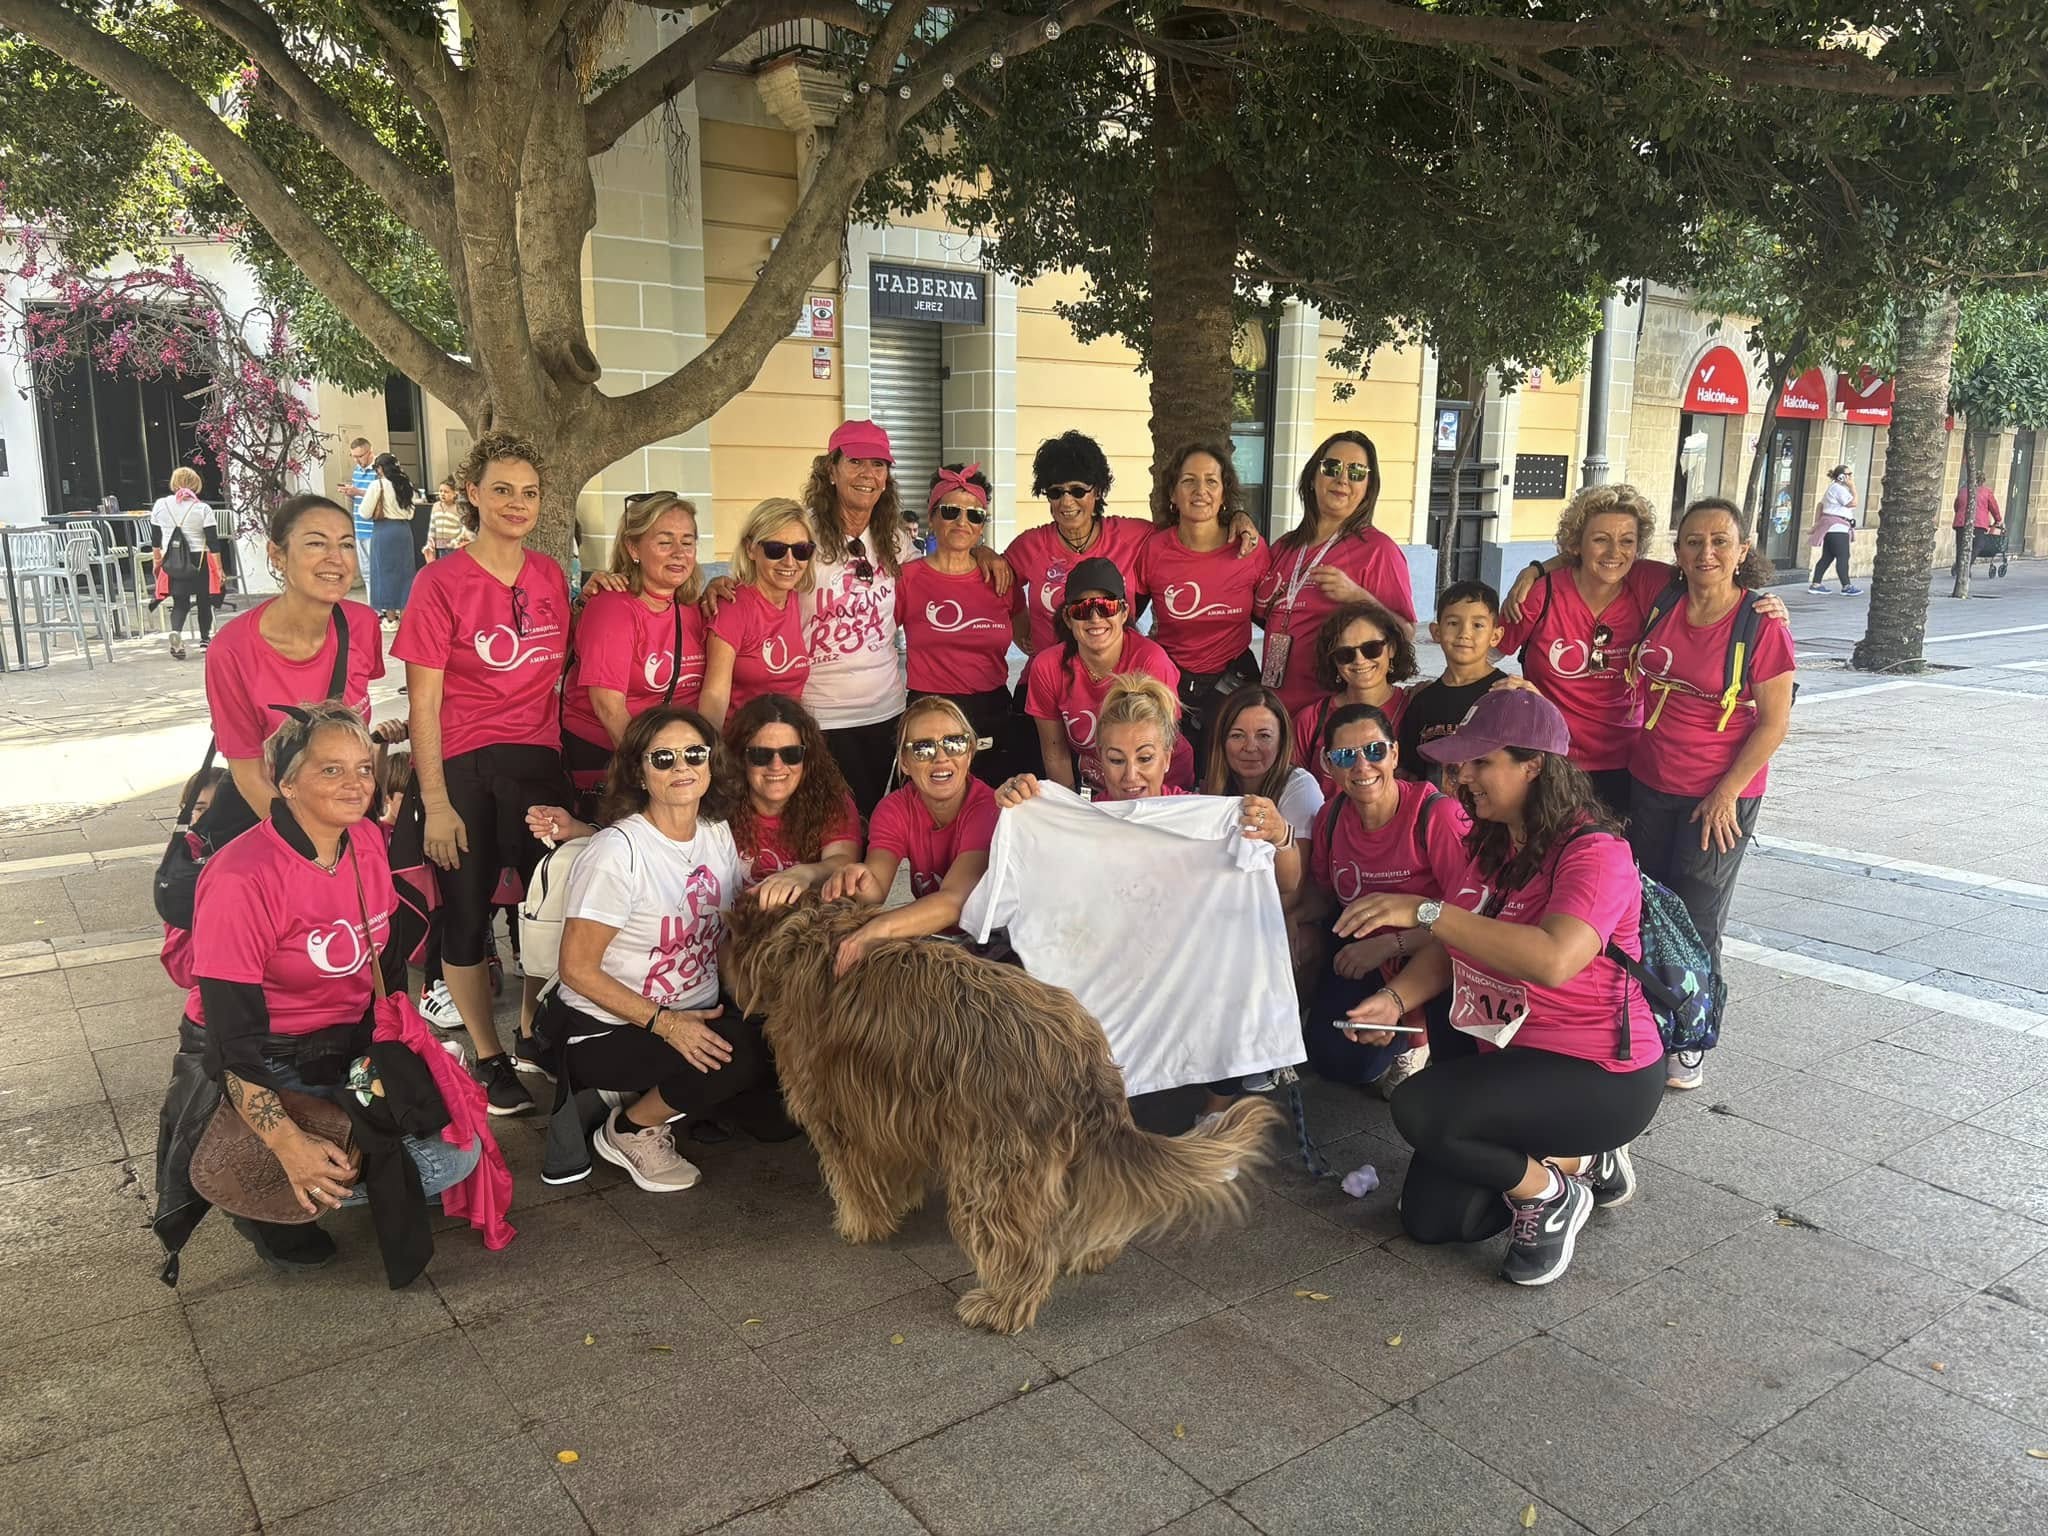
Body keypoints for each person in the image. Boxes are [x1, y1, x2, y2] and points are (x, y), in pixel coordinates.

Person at [1332, 688, 1664, 1288]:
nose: (1463, 776)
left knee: (1418, 1107)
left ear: (1534, 764)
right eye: (1461, 763)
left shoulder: (1596, 853)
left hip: (1597, 1073)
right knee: (1431, 1220)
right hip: (1509, 1059)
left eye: (1481, 763)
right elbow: (1455, 948)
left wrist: (1426, 910)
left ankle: (1552, 1194)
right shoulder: (1490, 845)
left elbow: (1554, 959)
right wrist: (1395, 1000)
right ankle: (1582, 1161)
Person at [180, 703, 482, 1273]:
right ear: (286, 781)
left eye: (363, 768)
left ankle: (317, 1175)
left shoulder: (366, 839)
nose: (356, 784)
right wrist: (287, 1145)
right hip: (268, 1057)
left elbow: (388, 964)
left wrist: (396, 1055)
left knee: (451, 1157)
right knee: (314, 1166)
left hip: (346, 1043)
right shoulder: (242, 877)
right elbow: (232, 1042)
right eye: (330, 770)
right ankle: (260, 1183)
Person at [996, 675, 1300, 1122]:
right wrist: (1020, 809)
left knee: (1240, 973)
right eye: (1116, 760)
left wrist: (1281, 835)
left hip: (1180, 965)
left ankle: (1216, 1111)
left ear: (1167, 757)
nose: (1130, 775)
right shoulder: (1076, 821)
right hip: (1109, 961)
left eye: (1144, 758)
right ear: (1098, 759)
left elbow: (1286, 885)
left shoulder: (1204, 817)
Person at [392, 430, 574, 1117]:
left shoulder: (551, 576)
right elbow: (424, 703)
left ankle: (530, 1033)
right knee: (466, 917)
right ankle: (487, 1055)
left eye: (528, 492)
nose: (516, 503)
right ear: (472, 493)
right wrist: (435, 803)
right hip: (463, 766)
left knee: (541, 911)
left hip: (537, 766)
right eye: (502, 489)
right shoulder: (439, 583)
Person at [538, 708, 767, 1192]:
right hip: (610, 1026)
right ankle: (628, 1129)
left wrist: (750, 999)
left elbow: (720, 937)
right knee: (742, 1055)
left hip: (695, 1007)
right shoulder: (617, 853)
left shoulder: (715, 832)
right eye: (663, 758)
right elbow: (576, 969)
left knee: (775, 1111)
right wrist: (669, 1025)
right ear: (638, 771)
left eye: (694, 754)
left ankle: (654, 1092)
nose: (681, 767)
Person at [1625, 498, 1794, 1092]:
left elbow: (1774, 721)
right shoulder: (1660, 595)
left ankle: (1692, 1036)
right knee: (1646, 905)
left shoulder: (1760, 622)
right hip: (1649, 780)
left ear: (1742, 552)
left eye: (1721, 541)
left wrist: (1726, 795)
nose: (1707, 553)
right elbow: (1587, 554)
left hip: (1719, 795)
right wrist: (1532, 572)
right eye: (1694, 541)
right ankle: (1648, 1018)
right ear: (1676, 551)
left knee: (1696, 914)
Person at [1499, 486, 1789, 817]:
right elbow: (1487, 651)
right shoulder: (1544, 593)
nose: (1614, 551)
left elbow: (1710, 578)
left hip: (1628, 763)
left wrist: (1760, 606)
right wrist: (1535, 570)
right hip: (1555, 760)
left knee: (1618, 861)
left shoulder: (1648, 585)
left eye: (1627, 541)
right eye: (1600, 539)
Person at [1299, 702, 1473, 1098]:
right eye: (1346, 756)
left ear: (1395, 754)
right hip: (1364, 956)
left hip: (1435, 953)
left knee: (1366, 1061)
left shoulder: (1436, 815)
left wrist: (1389, 944)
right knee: (1336, 1062)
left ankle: (1420, 1037)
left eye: (1374, 751)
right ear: (1328, 764)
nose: (1362, 767)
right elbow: (1325, 897)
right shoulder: (1330, 818)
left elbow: (1471, 919)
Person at [204, 495, 385, 828]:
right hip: (279, 825)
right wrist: (314, 846)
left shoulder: (362, 624)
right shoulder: (232, 650)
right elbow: (250, 773)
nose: (336, 559)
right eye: (316, 543)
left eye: (346, 545)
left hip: (353, 814)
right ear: (278, 555)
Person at [821, 698, 1000, 974]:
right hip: (937, 938)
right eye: (923, 748)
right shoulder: (894, 808)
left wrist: (879, 928)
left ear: (969, 752)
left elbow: (954, 902)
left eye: (954, 743)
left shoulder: (987, 807)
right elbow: (876, 886)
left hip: (995, 942)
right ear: (904, 762)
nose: (941, 757)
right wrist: (858, 879)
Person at [559, 492, 706, 811]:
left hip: (676, 761)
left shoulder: (693, 607)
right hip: (614, 759)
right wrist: (652, 773)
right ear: (633, 547)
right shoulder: (613, 607)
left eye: (688, 541)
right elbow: (609, 708)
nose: (679, 553)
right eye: (665, 542)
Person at [1256, 431, 1418, 714]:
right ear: (1312, 478)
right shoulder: (1285, 547)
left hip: (1331, 714)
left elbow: (1405, 633)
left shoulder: (1378, 550)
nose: (1343, 479)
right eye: (1332, 467)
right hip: (1275, 706)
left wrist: (1357, 596)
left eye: (1357, 472)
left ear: (1368, 487)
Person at [1139, 441, 1273, 772]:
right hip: (1170, 683)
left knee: (1230, 778)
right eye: (1189, 481)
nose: (1201, 490)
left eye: (1212, 481)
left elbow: (1274, 619)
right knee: (1172, 774)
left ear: (1225, 492)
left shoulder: (1250, 549)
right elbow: (1126, 619)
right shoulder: (1154, 549)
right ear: (1172, 493)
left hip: (1234, 682)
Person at [1023, 558, 1193, 795]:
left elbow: (1163, 744)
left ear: (1123, 613)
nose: (1095, 618)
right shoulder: (1047, 667)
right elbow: (1056, 755)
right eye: (1082, 609)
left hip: (1159, 781)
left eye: (1107, 607)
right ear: (1068, 618)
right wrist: (1074, 811)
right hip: (1099, 784)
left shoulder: (1151, 660)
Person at [896, 464, 1020, 784]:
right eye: (951, 511)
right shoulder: (908, 578)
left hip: (991, 711)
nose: (963, 522)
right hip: (928, 712)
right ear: (932, 516)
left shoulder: (1001, 578)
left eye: (975, 514)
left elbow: (1033, 638)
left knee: (993, 811)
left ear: (982, 526)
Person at [727, 693, 861, 899]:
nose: (776, 766)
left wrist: (804, 873)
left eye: (791, 754)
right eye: (761, 755)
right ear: (740, 759)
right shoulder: (720, 804)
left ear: (807, 759)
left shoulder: (829, 799)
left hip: (806, 923)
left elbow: (843, 859)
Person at [700, 497, 814, 730]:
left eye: (802, 550)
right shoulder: (733, 605)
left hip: (789, 744)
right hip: (741, 747)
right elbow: (714, 695)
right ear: (751, 549)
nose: (790, 561)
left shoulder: (799, 599)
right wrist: (709, 757)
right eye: (776, 549)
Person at [1291, 599, 1420, 797]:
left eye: (1372, 648)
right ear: (1333, 661)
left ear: (1392, 648)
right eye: (1345, 654)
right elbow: (1292, 790)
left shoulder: (1416, 707)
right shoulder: (1310, 720)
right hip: (1328, 826)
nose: (1360, 660)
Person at [1399, 581, 1506, 786]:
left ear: (1495, 636)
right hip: (1438, 813)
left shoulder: (1505, 694)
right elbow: (1411, 771)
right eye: (1453, 623)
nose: (1464, 633)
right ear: (1436, 632)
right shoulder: (1422, 701)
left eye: (1478, 625)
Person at [1202, 684, 1323, 840]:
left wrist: (1280, 834)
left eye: (1264, 736)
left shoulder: (1301, 786)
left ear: (1282, 741)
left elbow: (1300, 864)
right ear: (1222, 741)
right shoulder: (1210, 784)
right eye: (1237, 736)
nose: (1250, 747)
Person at [149, 466, 221, 659]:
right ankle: (205, 639)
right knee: (204, 601)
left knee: (180, 602)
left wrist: (158, 561)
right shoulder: (202, 508)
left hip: (172, 560)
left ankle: (177, 634)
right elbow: (213, 542)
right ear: (196, 484)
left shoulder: (160, 505)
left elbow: (155, 539)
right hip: (199, 561)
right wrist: (219, 569)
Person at [361, 452, 417, 624]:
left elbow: (364, 512)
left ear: (380, 468)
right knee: (405, 574)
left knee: (385, 573)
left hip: (384, 531)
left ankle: (391, 619)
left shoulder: (377, 485)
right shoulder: (406, 484)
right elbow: (411, 512)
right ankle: (406, 617)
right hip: (403, 531)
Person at [1808, 465, 1861, 594]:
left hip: (1833, 526)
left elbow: (1820, 505)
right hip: (1838, 527)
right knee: (1843, 556)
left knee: (1827, 556)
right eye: (1849, 474)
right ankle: (1846, 586)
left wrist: (1817, 523)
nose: (1850, 477)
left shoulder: (1833, 488)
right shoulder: (1838, 489)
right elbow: (1853, 503)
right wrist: (1853, 487)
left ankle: (1816, 583)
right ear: (1842, 476)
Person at [1954, 469, 2001, 580]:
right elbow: (1993, 507)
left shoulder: (1963, 490)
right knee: (1977, 545)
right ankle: (1966, 567)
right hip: (1978, 524)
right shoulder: (1986, 492)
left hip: (1961, 523)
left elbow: (1956, 506)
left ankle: (1959, 566)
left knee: (1961, 546)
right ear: (1982, 480)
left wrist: (1960, 515)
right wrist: (1998, 519)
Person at [338, 436, 377, 553]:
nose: (356, 460)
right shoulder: (357, 470)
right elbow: (358, 497)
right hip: (359, 528)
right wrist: (350, 493)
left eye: (360, 456)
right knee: (363, 570)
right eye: (353, 456)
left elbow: (381, 496)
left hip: (374, 528)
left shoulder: (379, 469)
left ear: (370, 452)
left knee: (375, 568)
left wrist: (358, 492)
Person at [427, 478, 468, 561]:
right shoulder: (436, 506)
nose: (442, 494)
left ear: (454, 493)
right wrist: (430, 543)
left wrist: (458, 541)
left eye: (446, 492)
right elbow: (432, 527)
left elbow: (464, 528)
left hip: (454, 547)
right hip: (439, 547)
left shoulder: (458, 508)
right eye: (440, 491)